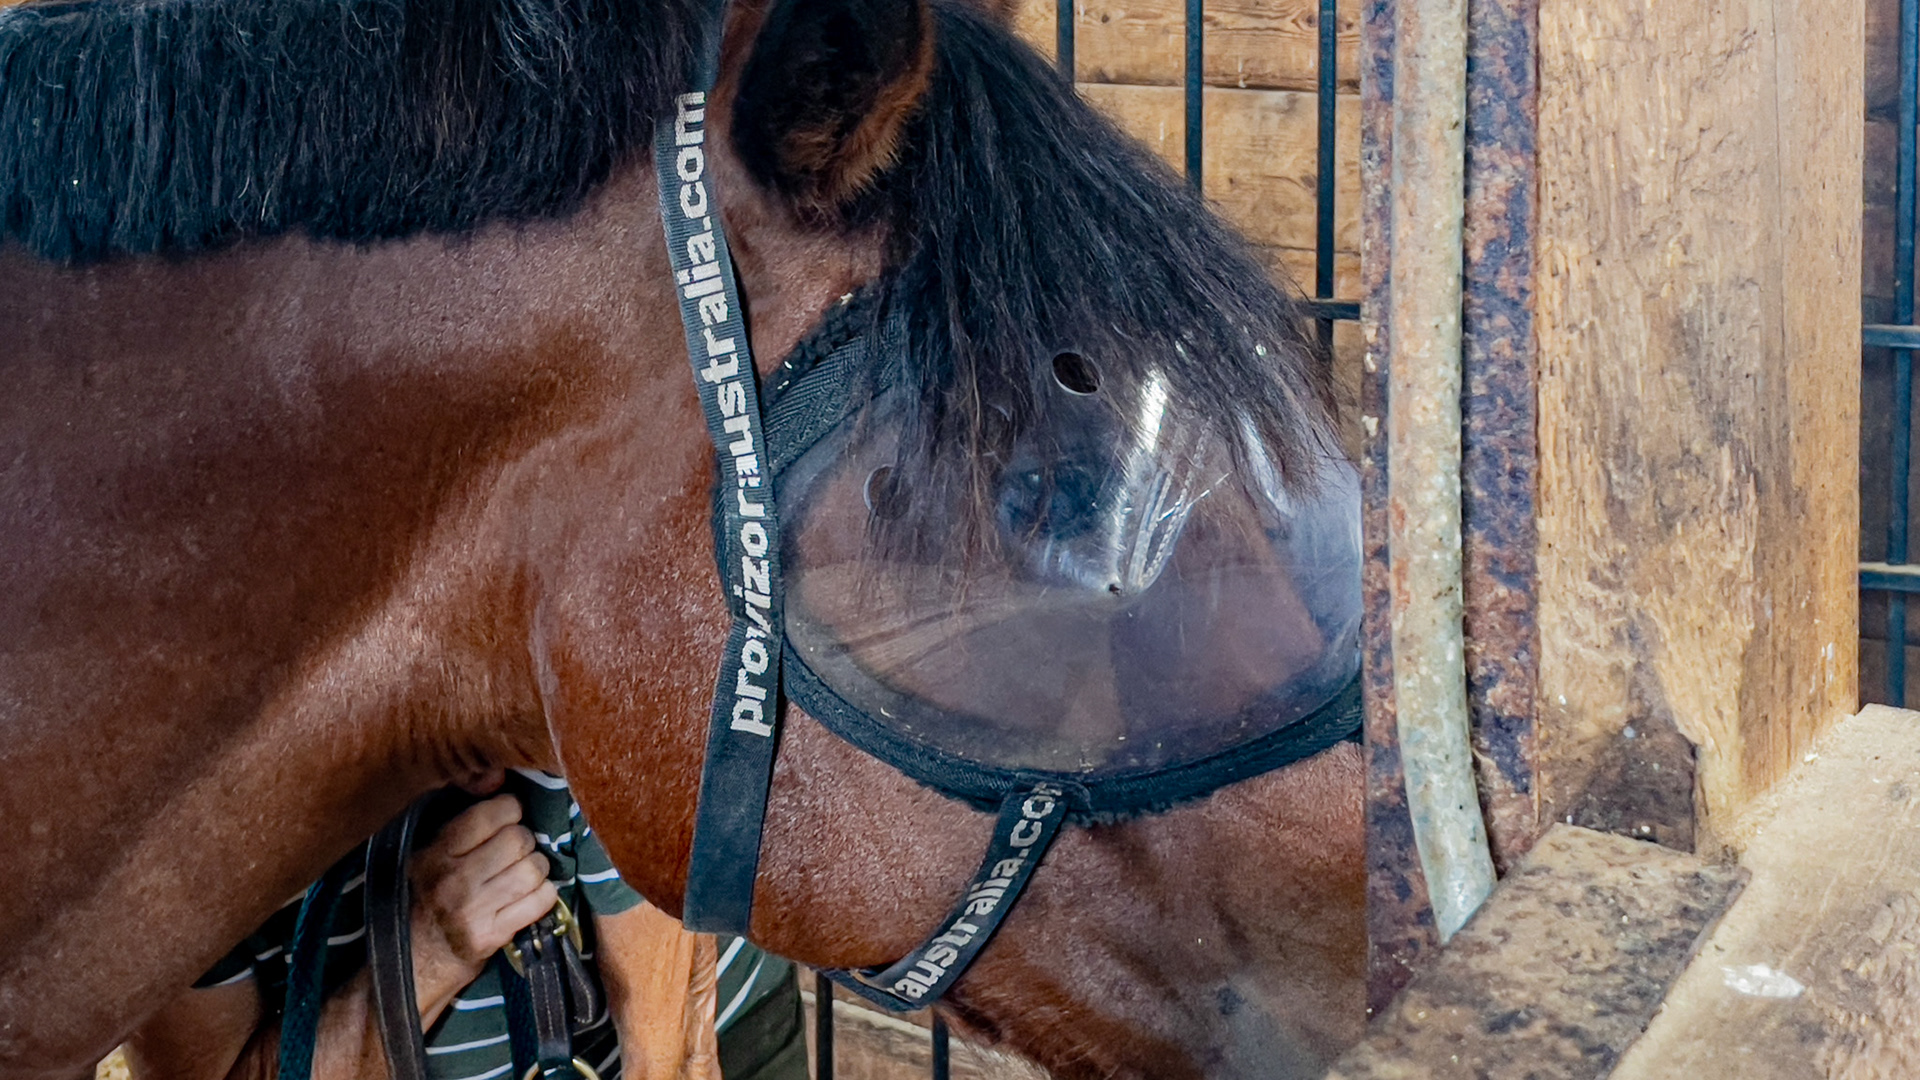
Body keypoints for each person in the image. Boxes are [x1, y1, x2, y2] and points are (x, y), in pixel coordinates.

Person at [122, 769, 808, 1080]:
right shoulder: (170, 830)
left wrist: (665, 1057)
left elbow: (670, 1058)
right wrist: (424, 954)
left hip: (731, 1030)